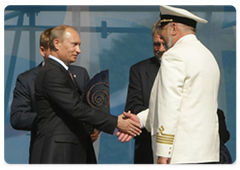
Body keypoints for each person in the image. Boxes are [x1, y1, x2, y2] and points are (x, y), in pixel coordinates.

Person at [119, 4, 221, 165]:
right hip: (207, 153)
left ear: (173, 28)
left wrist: (164, 152)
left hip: (179, 154)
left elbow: (169, 105)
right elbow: (187, 103)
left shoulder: (175, 56)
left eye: (163, 28)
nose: (163, 36)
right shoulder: (208, 56)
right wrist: (139, 119)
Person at [30, 25, 141, 164]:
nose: (79, 50)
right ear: (56, 43)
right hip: (59, 152)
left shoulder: (63, 71)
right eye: (74, 44)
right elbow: (76, 108)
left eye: (79, 45)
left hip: (72, 149)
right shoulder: (52, 72)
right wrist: (116, 122)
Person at [10, 27, 100, 164]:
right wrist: (56, 119)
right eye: (51, 50)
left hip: (81, 150)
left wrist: (94, 127)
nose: (78, 50)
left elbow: (87, 108)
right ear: (42, 50)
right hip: (50, 151)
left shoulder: (80, 74)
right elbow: (18, 117)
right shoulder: (27, 79)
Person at [124, 20, 166, 164]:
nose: (160, 49)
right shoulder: (139, 70)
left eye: (164, 44)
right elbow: (132, 108)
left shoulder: (188, 68)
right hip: (147, 147)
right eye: (156, 44)